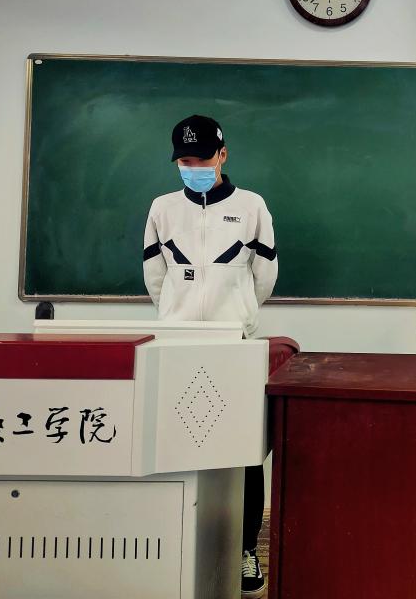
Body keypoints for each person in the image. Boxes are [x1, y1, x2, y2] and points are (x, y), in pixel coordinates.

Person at [143, 114, 277, 597]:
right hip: (175, 346)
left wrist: (237, 318)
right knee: (175, 444)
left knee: (243, 451)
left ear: (222, 155)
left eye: (201, 159)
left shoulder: (251, 206)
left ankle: (244, 549)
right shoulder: (162, 208)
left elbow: (264, 277)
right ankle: (177, 543)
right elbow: (155, 277)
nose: (193, 168)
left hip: (233, 346)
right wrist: (176, 319)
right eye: (184, 160)